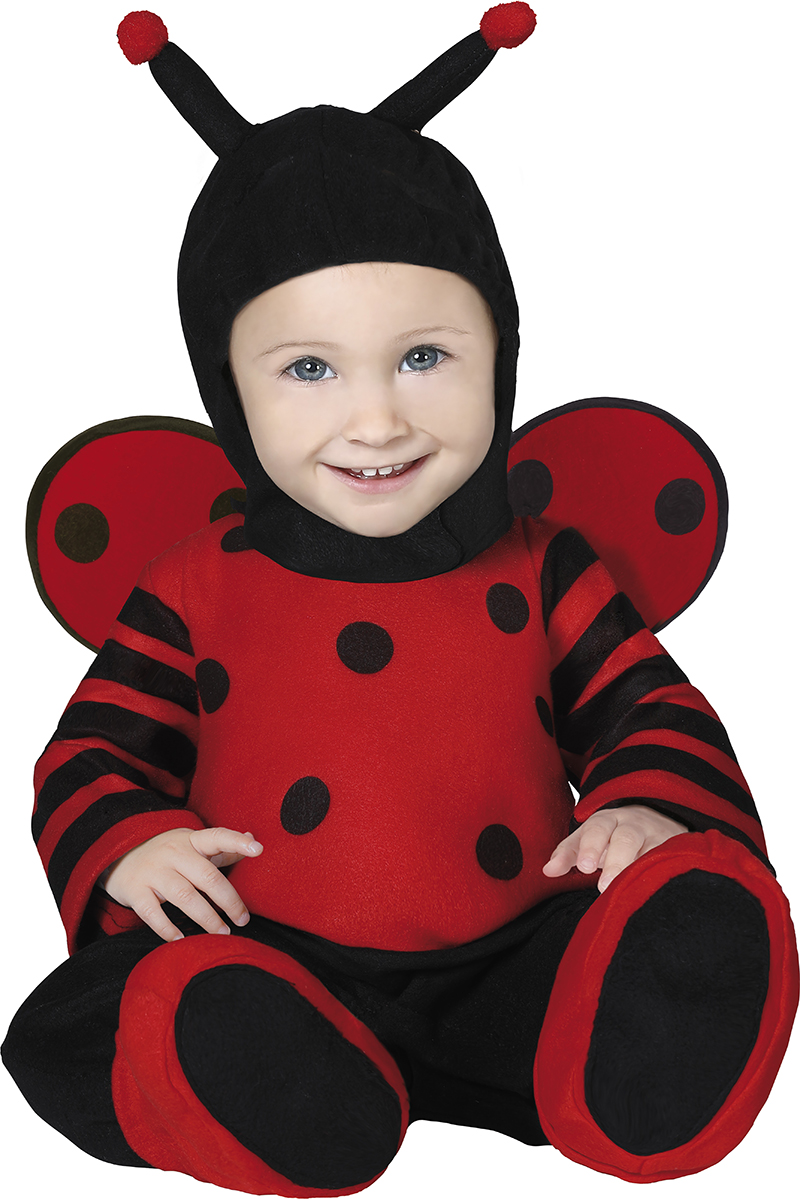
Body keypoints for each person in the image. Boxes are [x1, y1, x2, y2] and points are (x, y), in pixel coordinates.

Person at [2, 5, 797, 1196]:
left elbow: (648, 708)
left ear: (500, 355)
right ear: (227, 388)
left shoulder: (543, 563)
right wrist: (126, 843)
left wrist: (646, 804)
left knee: (649, 937)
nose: (375, 420)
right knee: (71, 1024)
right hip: (267, 960)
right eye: (307, 369)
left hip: (511, 960)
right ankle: (263, 1076)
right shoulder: (195, 580)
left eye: (424, 357)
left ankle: (630, 1057)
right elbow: (94, 749)